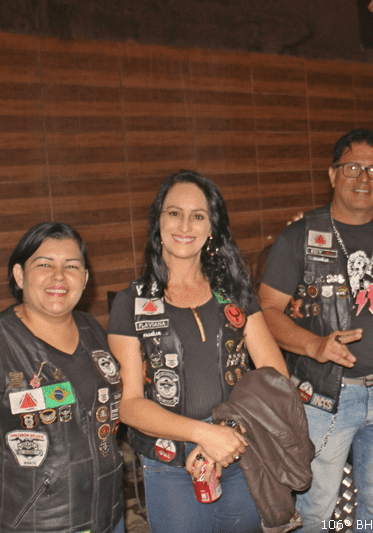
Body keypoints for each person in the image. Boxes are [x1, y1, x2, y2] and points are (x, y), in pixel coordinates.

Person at [258, 129, 373, 533]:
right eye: (352, 168)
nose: (363, 178)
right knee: (315, 509)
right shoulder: (300, 236)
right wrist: (314, 344)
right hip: (327, 396)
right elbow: (265, 312)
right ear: (333, 174)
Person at [107, 170, 289, 533]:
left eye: (198, 215)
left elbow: (276, 376)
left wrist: (226, 433)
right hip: (170, 467)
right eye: (174, 213)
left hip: (241, 452)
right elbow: (129, 405)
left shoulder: (235, 293)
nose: (185, 225)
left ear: (211, 228)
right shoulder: (131, 302)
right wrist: (203, 435)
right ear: (158, 221)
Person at [0, 222, 125, 533]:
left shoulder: (92, 330)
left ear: (85, 278)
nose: (59, 276)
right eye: (44, 264)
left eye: (71, 266)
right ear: (19, 275)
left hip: (109, 518)